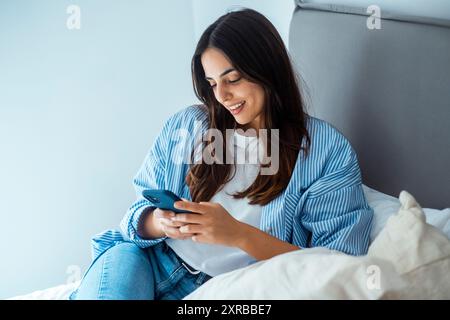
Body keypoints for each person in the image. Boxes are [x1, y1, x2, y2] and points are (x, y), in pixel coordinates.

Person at [70, 8, 373, 300]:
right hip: (146, 262)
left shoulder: (324, 151)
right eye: (212, 83)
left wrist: (238, 234)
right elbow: (135, 215)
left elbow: (337, 266)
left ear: (267, 69)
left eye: (233, 79)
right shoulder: (188, 126)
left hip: (229, 289)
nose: (221, 96)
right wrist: (159, 222)